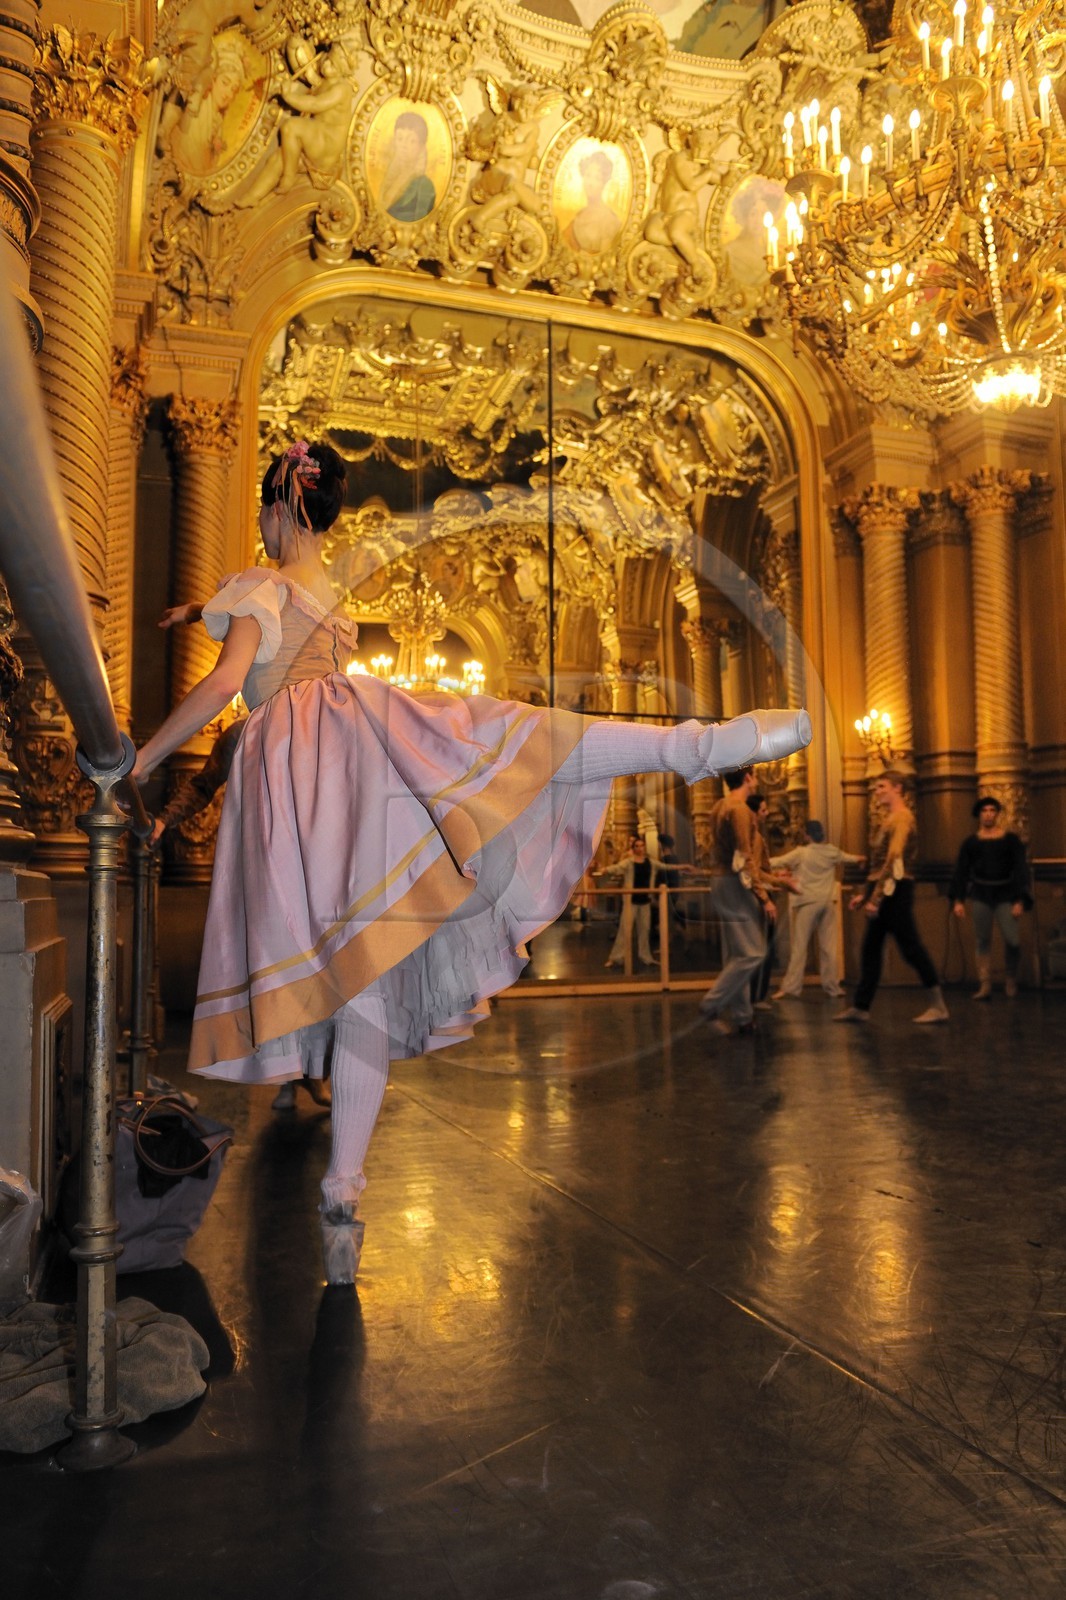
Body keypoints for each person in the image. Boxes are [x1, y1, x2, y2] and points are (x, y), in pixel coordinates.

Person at [132, 438, 811, 1282]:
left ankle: (345, 1201)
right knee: (511, 743)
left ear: (278, 505)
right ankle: (699, 746)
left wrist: (144, 756)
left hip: (305, 797)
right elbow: (270, 634)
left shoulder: (257, 586)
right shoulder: (323, 597)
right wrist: (206, 609)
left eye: (267, 510)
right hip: (357, 765)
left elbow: (228, 684)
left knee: (354, 989)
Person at [835, 770, 949, 1025]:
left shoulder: (902, 819)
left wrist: (875, 899)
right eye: (876, 787)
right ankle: (861, 1007)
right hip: (886, 889)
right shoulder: (889, 819)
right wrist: (865, 895)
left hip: (895, 891)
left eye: (882, 786)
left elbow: (894, 859)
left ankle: (938, 1006)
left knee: (910, 948)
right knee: (871, 949)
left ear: (898, 788)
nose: (877, 791)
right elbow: (878, 865)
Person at [699, 767, 778, 1036]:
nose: (756, 782)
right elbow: (745, 857)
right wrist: (764, 896)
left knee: (737, 953)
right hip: (735, 883)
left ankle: (744, 1016)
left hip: (719, 880)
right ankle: (711, 1003)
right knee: (753, 953)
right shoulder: (741, 809)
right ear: (748, 778)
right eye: (754, 777)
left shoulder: (719, 805)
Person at [769, 820, 865, 1000]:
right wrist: (862, 859)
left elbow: (777, 862)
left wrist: (754, 862)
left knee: (800, 947)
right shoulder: (831, 851)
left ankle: (791, 987)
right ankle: (832, 987)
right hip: (828, 902)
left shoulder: (801, 853)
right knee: (829, 947)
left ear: (807, 834)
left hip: (806, 902)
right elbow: (852, 858)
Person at [948, 796, 1030, 999]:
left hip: (1005, 893)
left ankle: (1010, 978)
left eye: (992, 810)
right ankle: (985, 984)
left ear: (997, 813)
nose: (988, 814)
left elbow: (1020, 869)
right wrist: (958, 900)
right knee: (982, 939)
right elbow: (962, 871)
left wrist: (1019, 899)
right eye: (985, 811)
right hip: (982, 894)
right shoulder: (971, 843)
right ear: (979, 815)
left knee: (1012, 939)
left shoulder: (1010, 841)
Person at [603, 835, 657, 969]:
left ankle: (645, 956)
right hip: (631, 899)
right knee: (625, 929)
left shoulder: (650, 861)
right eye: (636, 845)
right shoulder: (628, 861)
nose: (639, 848)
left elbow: (661, 868)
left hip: (644, 899)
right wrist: (606, 869)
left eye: (641, 845)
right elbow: (618, 867)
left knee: (645, 929)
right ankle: (616, 957)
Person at [379, 110, 436, 222]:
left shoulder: (424, 185)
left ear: (421, 147)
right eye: (400, 138)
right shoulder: (389, 178)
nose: (403, 146)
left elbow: (420, 223)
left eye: (412, 141)